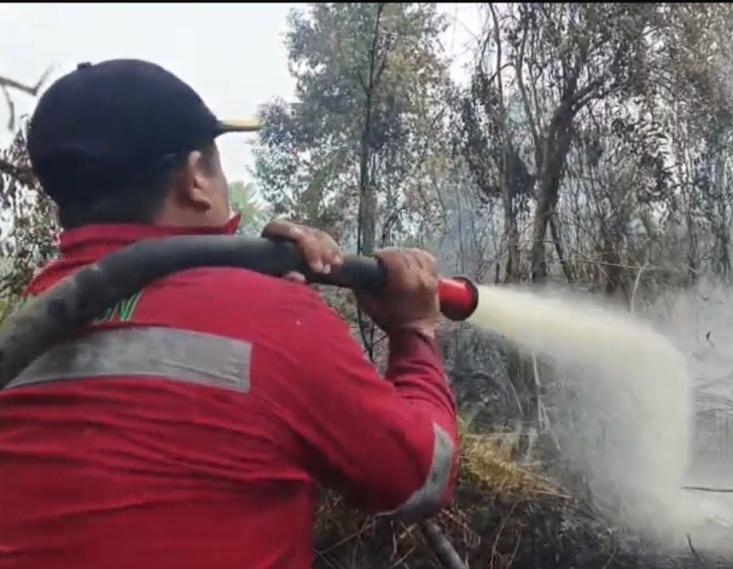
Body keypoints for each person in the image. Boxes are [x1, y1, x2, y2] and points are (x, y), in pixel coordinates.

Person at [0, 59, 459, 569]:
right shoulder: (272, 322)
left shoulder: (28, 324)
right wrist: (415, 330)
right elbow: (421, 475)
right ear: (196, 178)